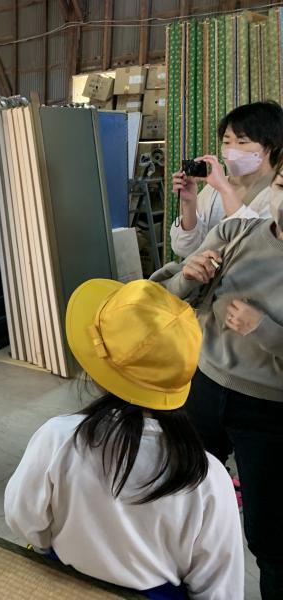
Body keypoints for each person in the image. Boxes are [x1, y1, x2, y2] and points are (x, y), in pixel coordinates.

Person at [4, 279, 243, 599]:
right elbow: (219, 588)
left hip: (63, 585)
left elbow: (23, 521)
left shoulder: (58, 438)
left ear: (98, 373)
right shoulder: (207, 477)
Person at [153, 168, 283, 599]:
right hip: (204, 386)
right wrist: (188, 277)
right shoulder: (236, 232)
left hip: (269, 412)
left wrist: (266, 330)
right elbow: (170, 295)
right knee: (178, 495)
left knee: (270, 538)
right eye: (282, 187)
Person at [170, 100, 283, 257]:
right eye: (226, 142)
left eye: (242, 142)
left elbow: (259, 249)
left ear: (272, 146)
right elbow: (184, 249)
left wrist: (225, 190)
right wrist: (189, 203)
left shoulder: (277, 191)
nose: (231, 150)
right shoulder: (212, 190)